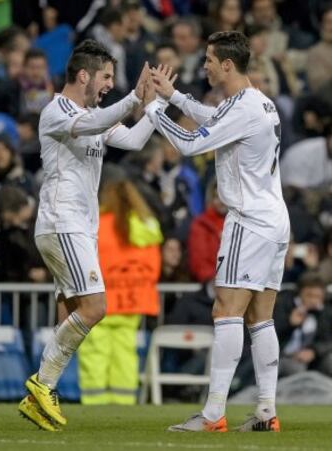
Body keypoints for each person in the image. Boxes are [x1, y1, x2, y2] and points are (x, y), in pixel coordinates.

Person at [18, 38, 173, 432]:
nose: (108, 84)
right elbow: (94, 123)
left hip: (78, 228)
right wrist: (132, 98)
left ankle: (42, 393)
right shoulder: (59, 110)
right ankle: (42, 384)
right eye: (106, 77)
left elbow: (134, 139)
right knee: (96, 308)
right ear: (83, 74)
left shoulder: (94, 114)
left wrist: (156, 103)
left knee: (72, 313)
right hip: (62, 223)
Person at [144, 30, 290, 432]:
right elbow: (216, 119)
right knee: (261, 319)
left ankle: (212, 415)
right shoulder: (258, 101)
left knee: (225, 311)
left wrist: (154, 111)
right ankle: (266, 413)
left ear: (227, 64)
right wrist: (174, 97)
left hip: (248, 220)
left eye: (209, 60)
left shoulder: (242, 108)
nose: (204, 65)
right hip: (275, 220)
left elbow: (191, 144)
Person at [78, 167, 162, 405]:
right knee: (125, 354)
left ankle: (94, 404)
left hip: (101, 301)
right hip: (133, 300)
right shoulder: (147, 225)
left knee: (95, 354)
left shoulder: (99, 225)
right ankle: (123, 403)